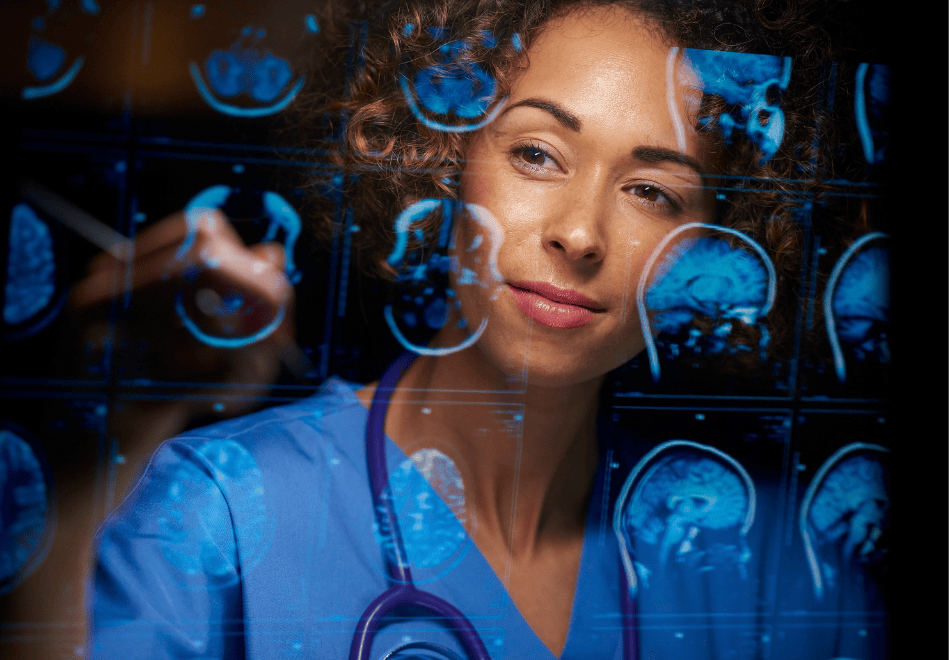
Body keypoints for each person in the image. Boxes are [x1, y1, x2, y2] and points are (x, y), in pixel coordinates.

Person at [88, 1, 886, 659]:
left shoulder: (784, 572)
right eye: (536, 154)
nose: (579, 234)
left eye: (652, 192)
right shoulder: (217, 509)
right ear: (442, 157)